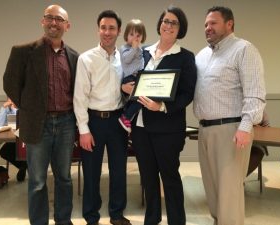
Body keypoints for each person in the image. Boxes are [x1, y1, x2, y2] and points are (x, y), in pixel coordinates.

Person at [3, 5, 78, 225]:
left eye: (59, 19)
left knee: (64, 178)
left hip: (66, 123)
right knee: (37, 180)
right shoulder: (23, 51)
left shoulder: (74, 56)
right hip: (38, 123)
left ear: (67, 25)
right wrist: (30, 108)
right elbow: (10, 83)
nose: (54, 22)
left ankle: (63, 220)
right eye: (49, 18)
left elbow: (75, 90)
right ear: (42, 22)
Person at [122, 6, 197, 225]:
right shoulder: (142, 52)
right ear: (159, 24)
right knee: (148, 178)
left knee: (170, 178)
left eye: (174, 22)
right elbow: (126, 75)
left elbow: (187, 93)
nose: (168, 25)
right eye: (166, 21)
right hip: (140, 128)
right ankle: (151, 220)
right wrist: (125, 87)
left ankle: (176, 221)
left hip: (168, 129)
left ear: (180, 29)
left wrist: (162, 107)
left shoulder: (185, 57)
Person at [193, 6, 266, 225]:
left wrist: (245, 127)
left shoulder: (243, 49)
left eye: (213, 23)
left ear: (229, 24)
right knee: (213, 189)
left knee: (229, 193)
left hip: (232, 130)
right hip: (205, 130)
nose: (208, 28)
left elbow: (255, 92)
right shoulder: (202, 55)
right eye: (206, 24)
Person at [73, 10, 131, 225]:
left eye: (112, 28)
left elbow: (129, 87)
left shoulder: (125, 59)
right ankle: (91, 215)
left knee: (119, 170)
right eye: (103, 27)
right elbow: (80, 97)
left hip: (117, 121)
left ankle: (117, 213)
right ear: (98, 29)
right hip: (94, 121)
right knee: (91, 172)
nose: (107, 32)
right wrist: (84, 130)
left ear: (119, 31)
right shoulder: (86, 58)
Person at [118, 19, 146, 133]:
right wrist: (134, 48)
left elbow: (141, 62)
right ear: (126, 36)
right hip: (129, 78)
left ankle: (126, 115)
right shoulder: (124, 48)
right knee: (141, 99)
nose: (135, 38)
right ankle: (126, 117)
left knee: (138, 100)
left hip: (137, 77)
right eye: (131, 34)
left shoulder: (140, 49)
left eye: (138, 35)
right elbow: (127, 59)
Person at [0, 98, 27, 182]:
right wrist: (3, 107)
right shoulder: (7, 108)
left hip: (25, 139)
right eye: (9, 97)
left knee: (21, 150)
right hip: (12, 139)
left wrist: (15, 108)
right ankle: (23, 166)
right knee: (4, 151)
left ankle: (24, 166)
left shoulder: (25, 106)